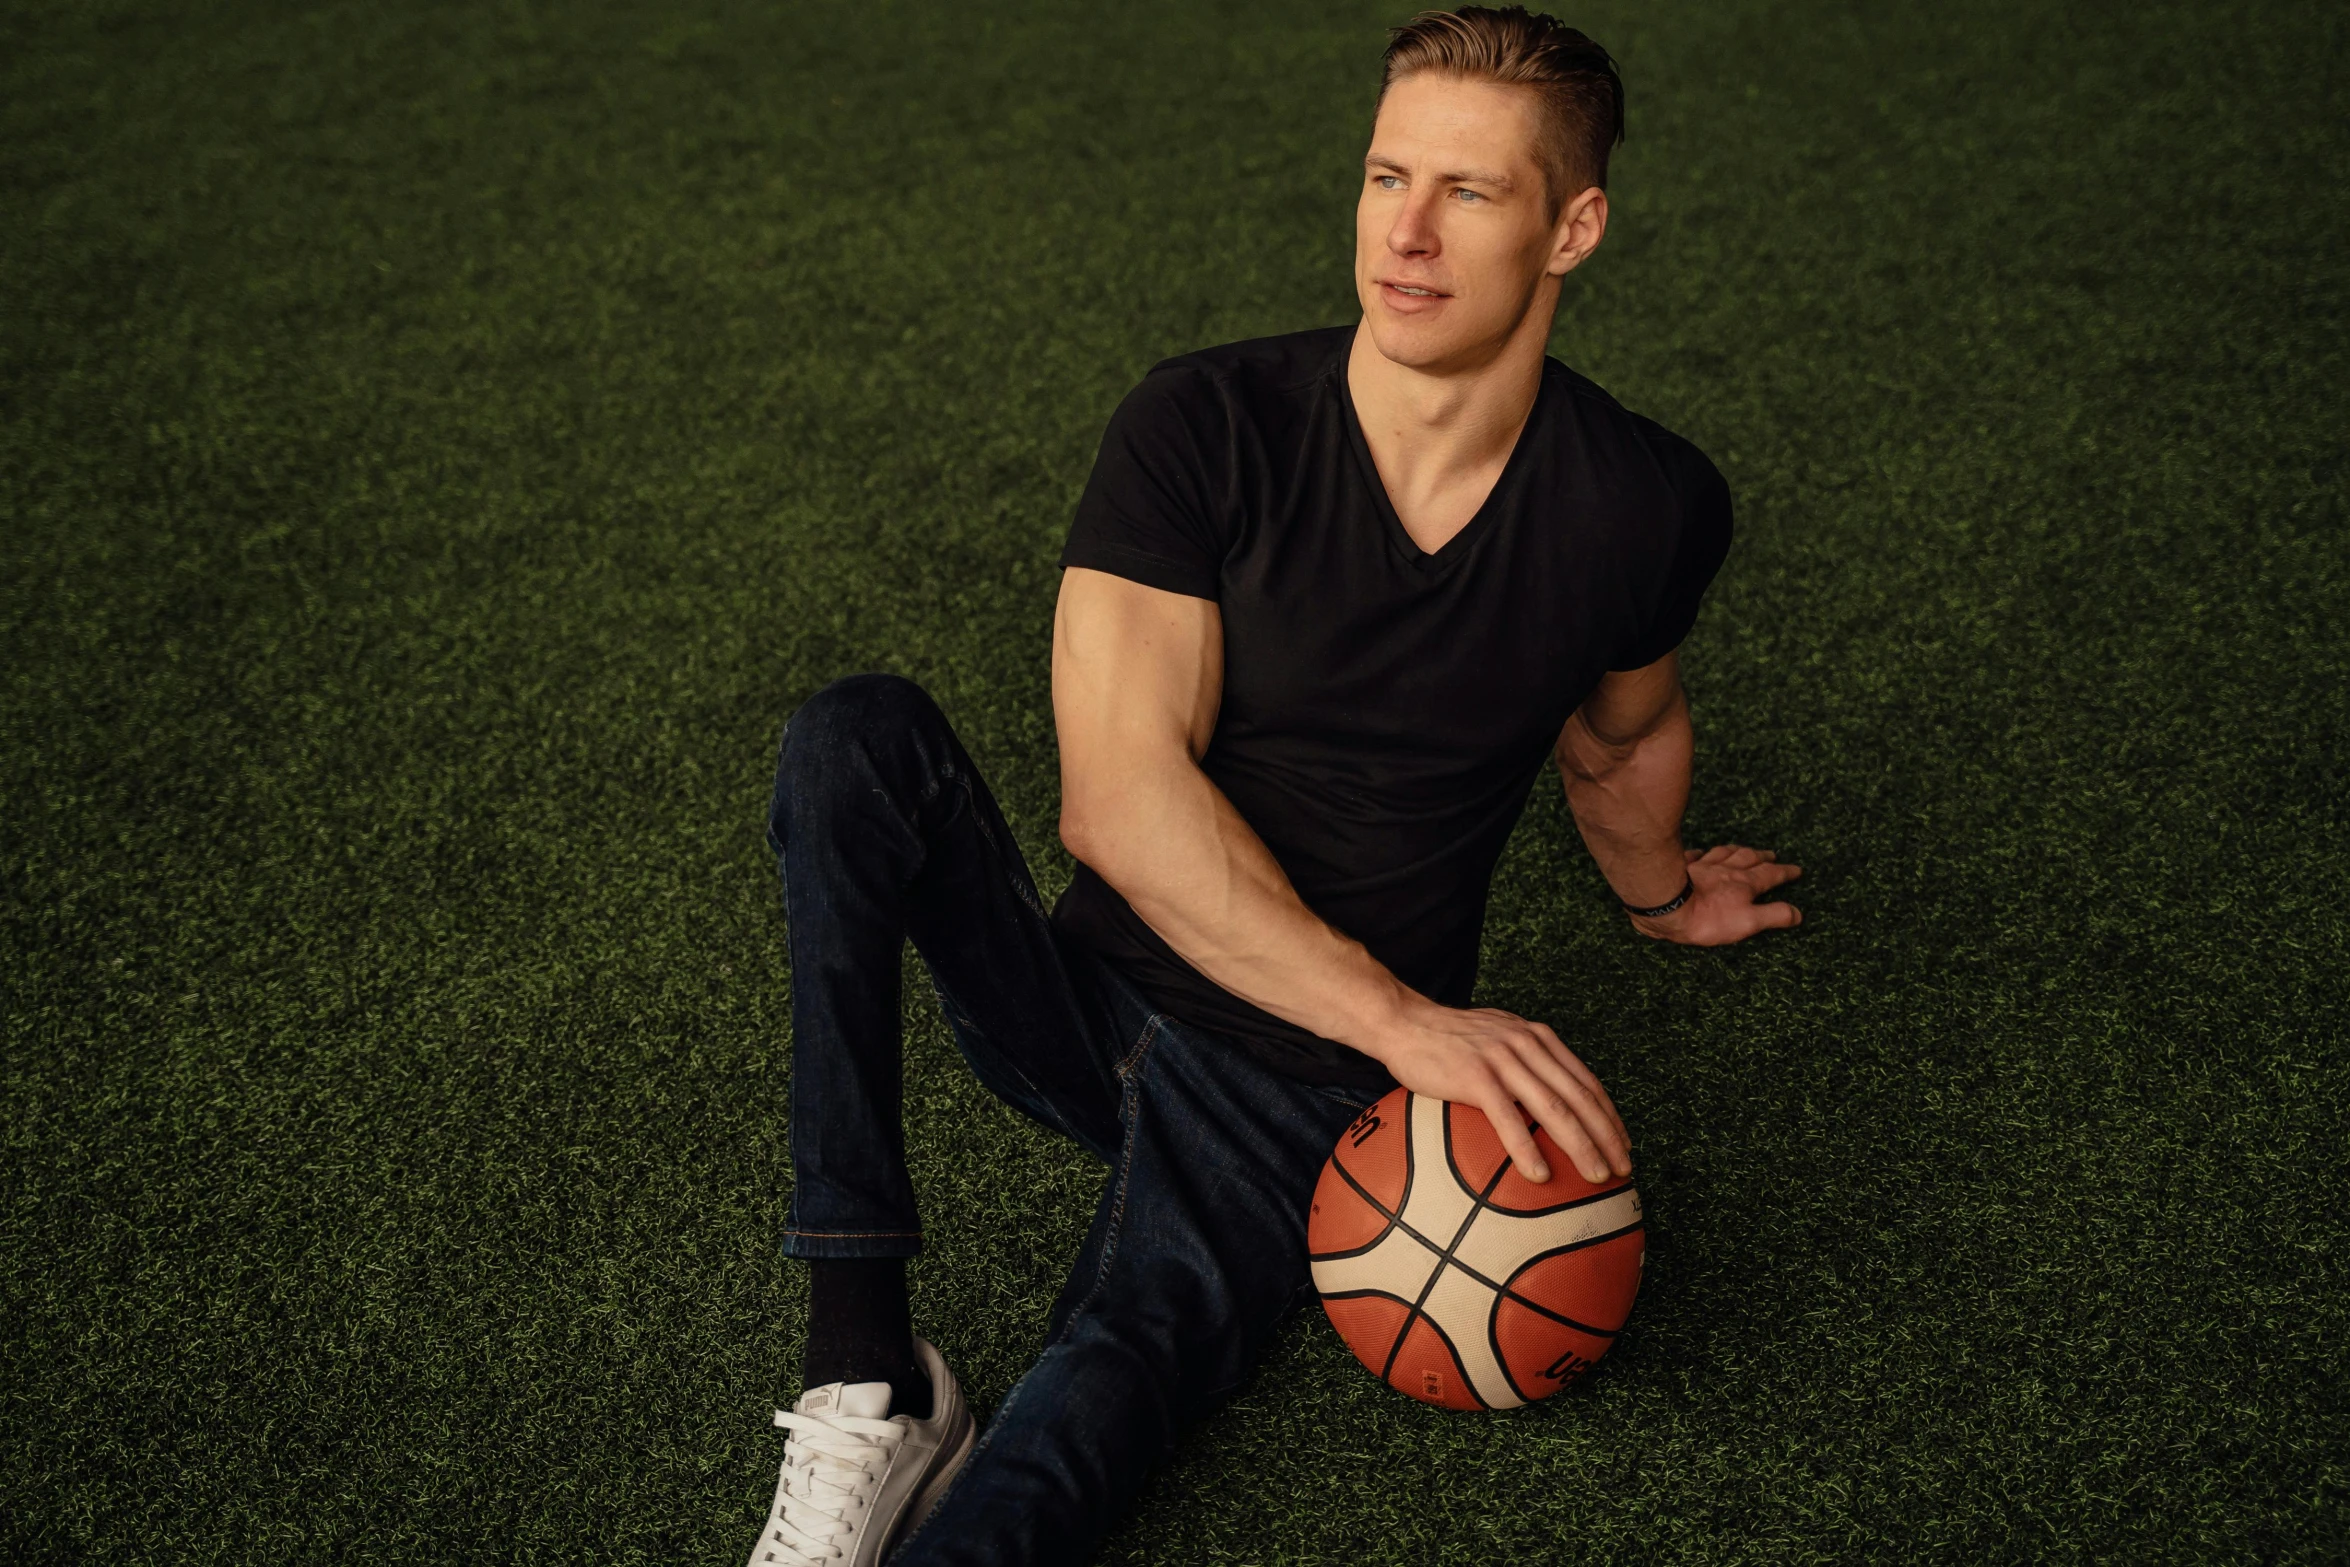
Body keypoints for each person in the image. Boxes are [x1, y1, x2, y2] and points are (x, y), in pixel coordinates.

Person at [742, 8, 1803, 1565]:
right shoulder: (1205, 426)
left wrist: (1659, 890)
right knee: (856, 737)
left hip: (1302, 1105)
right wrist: (1407, 1022)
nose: (1407, 234)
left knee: (1085, 1425)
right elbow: (1115, 801)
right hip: (1090, 993)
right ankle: (866, 1368)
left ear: (1571, 226)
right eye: (1386, 176)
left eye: (1469, 192)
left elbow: (1620, 732)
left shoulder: (1643, 505)